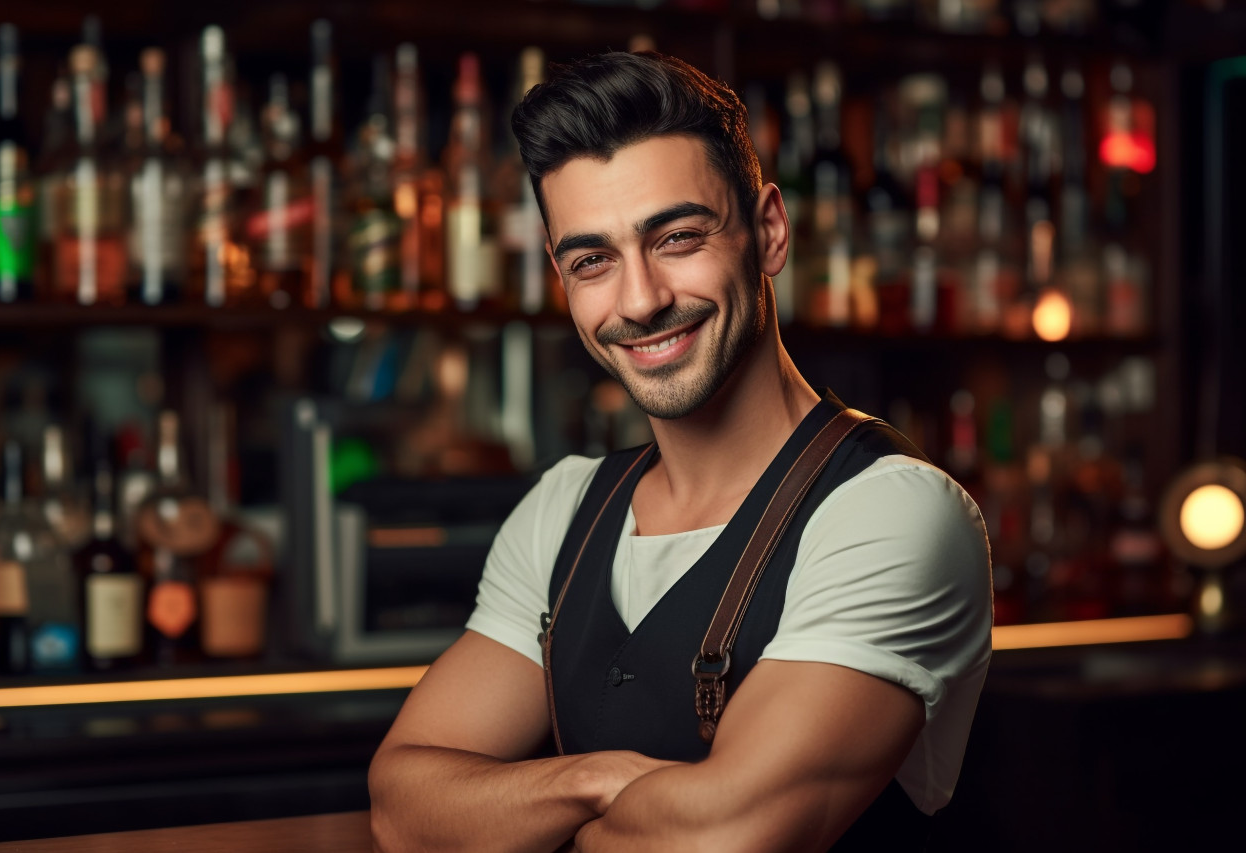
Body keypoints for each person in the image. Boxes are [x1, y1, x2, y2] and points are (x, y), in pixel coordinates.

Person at [368, 50, 992, 852]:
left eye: (677, 237)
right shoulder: (565, 508)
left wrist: (527, 811)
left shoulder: (893, 510)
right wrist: (597, 781)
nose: (640, 300)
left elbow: (724, 837)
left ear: (768, 230)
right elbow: (404, 807)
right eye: (592, 260)